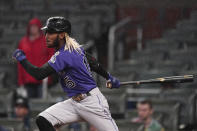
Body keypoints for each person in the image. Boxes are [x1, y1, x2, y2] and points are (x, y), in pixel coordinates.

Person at [12, 16, 120, 131]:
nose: (46, 36)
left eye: (51, 33)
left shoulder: (64, 54)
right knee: (43, 119)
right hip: (75, 103)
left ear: (62, 35)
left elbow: (39, 74)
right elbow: (93, 63)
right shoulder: (73, 48)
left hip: (92, 104)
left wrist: (22, 60)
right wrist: (108, 77)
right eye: (46, 32)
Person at [17, 18, 54, 98]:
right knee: (28, 105)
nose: (33, 29)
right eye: (31, 26)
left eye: (35, 26)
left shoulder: (46, 41)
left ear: (39, 28)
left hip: (42, 80)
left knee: (41, 105)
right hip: (27, 80)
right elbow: (20, 63)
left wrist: (48, 75)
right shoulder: (23, 42)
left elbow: (52, 59)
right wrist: (21, 81)